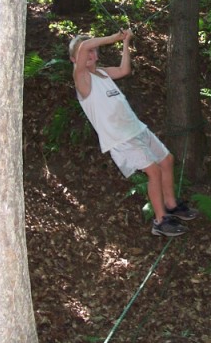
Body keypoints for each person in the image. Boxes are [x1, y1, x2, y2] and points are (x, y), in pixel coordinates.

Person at [69, 28, 198, 237]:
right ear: (74, 59)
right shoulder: (82, 79)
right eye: (86, 52)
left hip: (136, 128)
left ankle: (171, 205)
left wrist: (126, 42)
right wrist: (114, 37)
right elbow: (84, 46)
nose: (90, 54)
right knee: (154, 171)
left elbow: (124, 70)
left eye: (94, 51)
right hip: (120, 139)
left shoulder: (102, 73)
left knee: (167, 160)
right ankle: (160, 221)